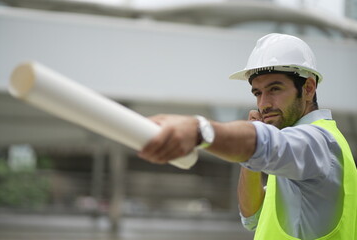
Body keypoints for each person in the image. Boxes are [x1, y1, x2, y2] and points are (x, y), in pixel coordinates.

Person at [138, 33, 357, 239]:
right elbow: (252, 218)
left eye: (275, 89)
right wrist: (251, 156)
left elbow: (269, 143)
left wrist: (199, 130)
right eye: (257, 93)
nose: (264, 104)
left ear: (308, 88)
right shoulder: (301, 157)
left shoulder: (317, 143)